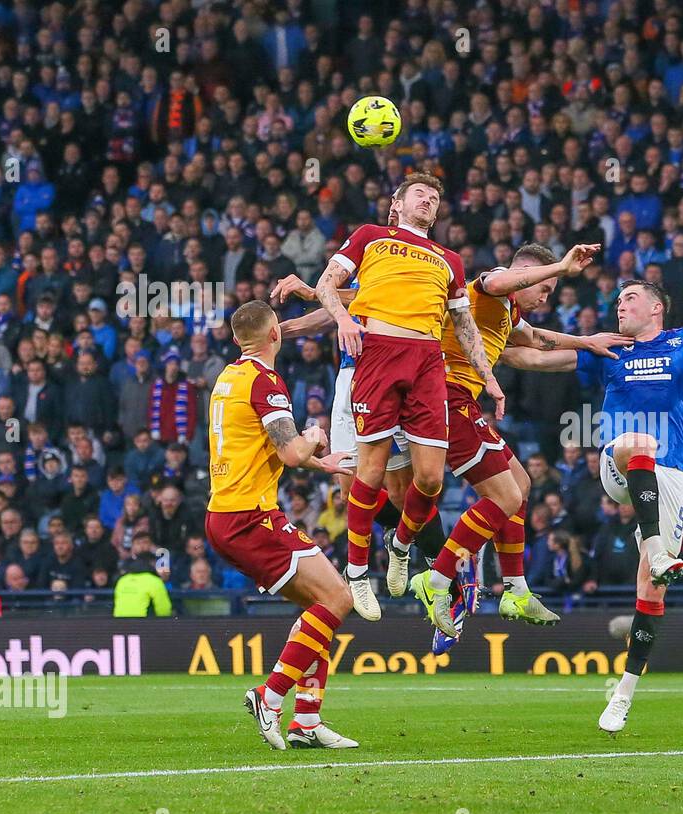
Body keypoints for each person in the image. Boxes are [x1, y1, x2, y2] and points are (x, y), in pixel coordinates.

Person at [503, 279, 683, 733]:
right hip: (620, 462)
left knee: (651, 593)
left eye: (630, 299)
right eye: (618, 300)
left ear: (656, 308)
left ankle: (622, 695)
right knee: (638, 440)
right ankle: (657, 548)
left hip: (673, 476)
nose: (620, 305)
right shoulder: (607, 349)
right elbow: (529, 357)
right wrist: (483, 339)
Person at [404, 241, 627, 643]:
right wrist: (559, 267)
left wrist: (587, 343)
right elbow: (496, 280)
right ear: (525, 272)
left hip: (459, 401)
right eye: (543, 288)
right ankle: (436, 578)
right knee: (504, 498)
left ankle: (515, 591)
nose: (544, 296)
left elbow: (537, 342)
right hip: (443, 397)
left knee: (520, 485)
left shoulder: (507, 313)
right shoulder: (486, 290)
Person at [314, 173, 500, 622]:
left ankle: (400, 546)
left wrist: (487, 376)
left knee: (432, 479)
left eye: (435, 197)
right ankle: (357, 571)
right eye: (420, 194)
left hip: (426, 360)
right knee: (372, 470)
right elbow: (325, 283)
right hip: (377, 353)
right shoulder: (371, 237)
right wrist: (343, 319)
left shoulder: (449, 259)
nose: (429, 200)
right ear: (396, 204)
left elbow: (464, 324)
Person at [204, 299, 356, 751]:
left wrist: (321, 465)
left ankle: (306, 722)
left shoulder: (228, 377)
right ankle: (270, 696)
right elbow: (291, 451)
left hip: (227, 514)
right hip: (249, 516)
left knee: (319, 607)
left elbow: (269, 448)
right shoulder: (265, 381)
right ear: (276, 335)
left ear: (237, 339)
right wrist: (315, 435)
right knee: (338, 596)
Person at [112, 531, 172, 617]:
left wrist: (165, 577)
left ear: (151, 545)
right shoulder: (125, 564)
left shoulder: (160, 562)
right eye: (138, 543)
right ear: (132, 546)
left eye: (145, 542)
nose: (142, 546)